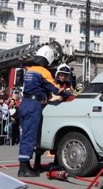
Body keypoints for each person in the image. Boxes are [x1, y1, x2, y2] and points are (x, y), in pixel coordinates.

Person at [17, 46, 70, 177]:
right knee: (30, 136)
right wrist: (66, 92)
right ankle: (23, 168)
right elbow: (55, 88)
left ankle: (26, 165)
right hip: (34, 105)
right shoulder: (43, 71)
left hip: (24, 103)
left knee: (25, 136)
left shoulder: (30, 70)